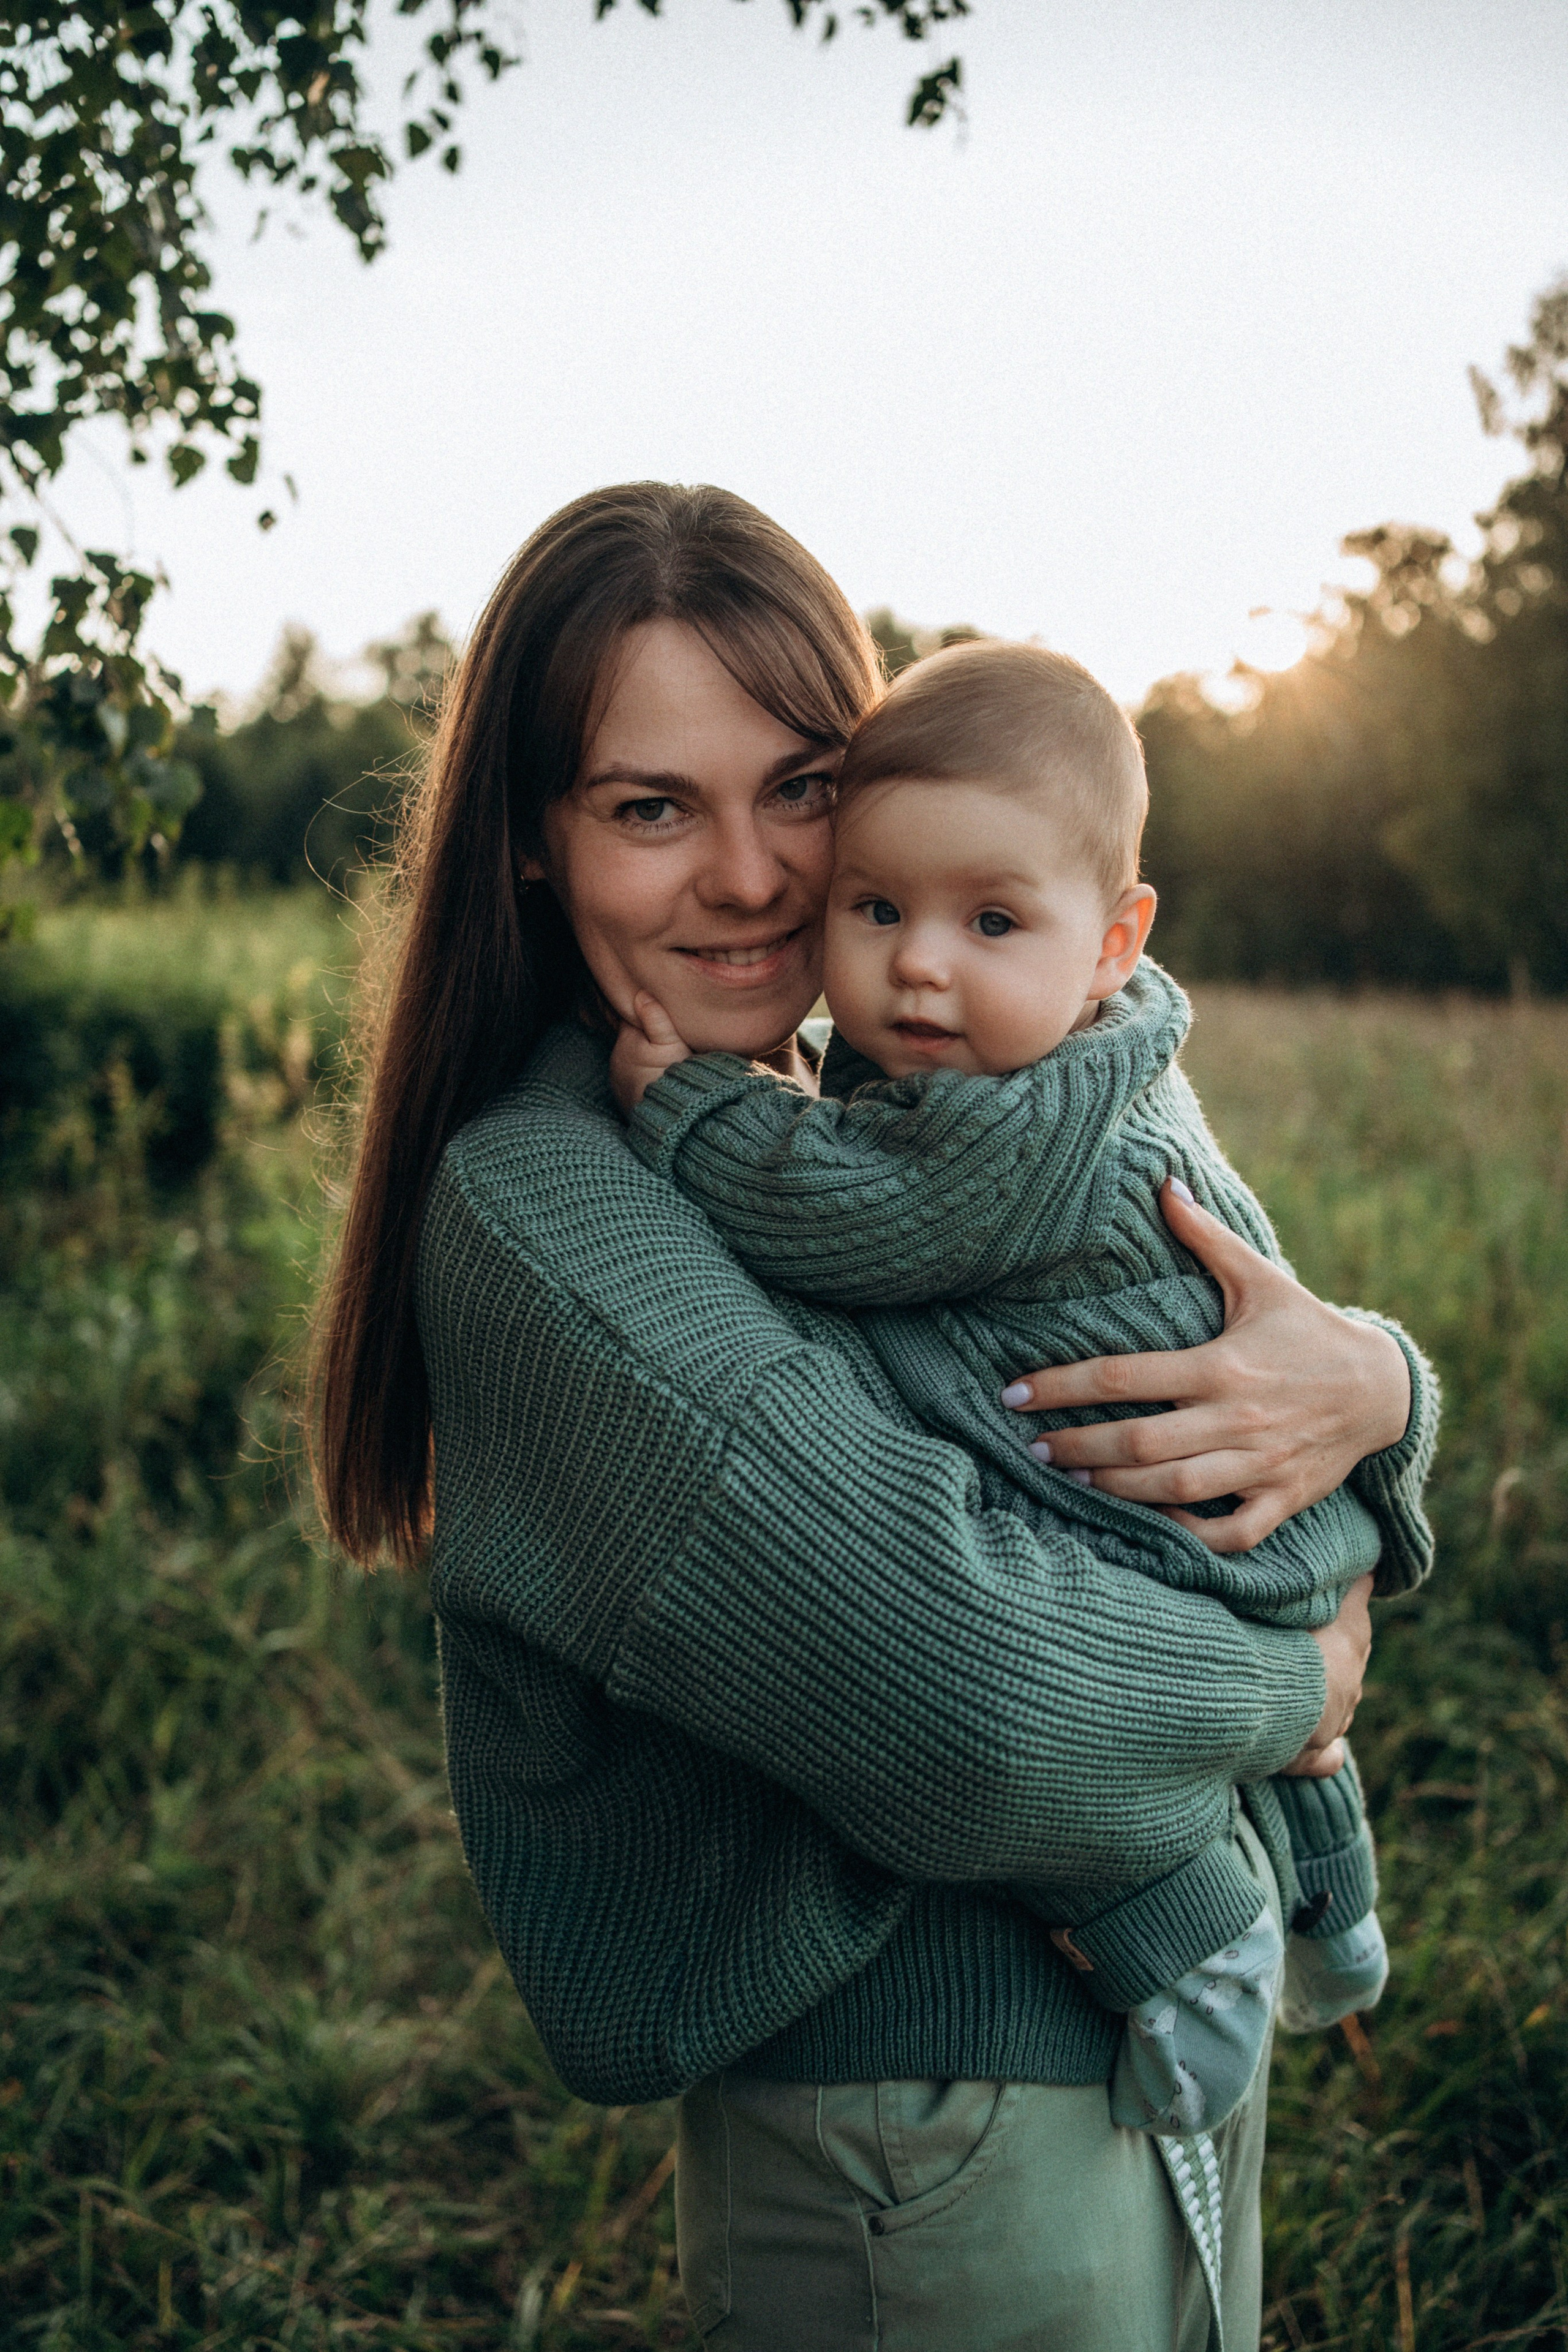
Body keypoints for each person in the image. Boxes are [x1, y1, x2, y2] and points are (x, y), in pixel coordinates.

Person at [311, 483, 1436, 2352]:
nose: (753, 874)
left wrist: (1379, 1386)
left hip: (1109, 2059)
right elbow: (983, 1708)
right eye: (651, 807)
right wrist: (1297, 1675)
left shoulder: (878, 1102)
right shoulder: (553, 1212)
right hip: (922, 2136)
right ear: (530, 844)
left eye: (804, 786)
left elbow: (1195, 1306)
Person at [607, 638, 1427, 2166]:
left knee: (1124, 1777)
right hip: (1251, 1516)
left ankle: (1196, 1946)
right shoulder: (1077, 1048)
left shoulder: (1019, 1124)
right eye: (876, 909)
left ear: (1112, 942)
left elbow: (854, 1214)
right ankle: (1338, 1917)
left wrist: (695, 1112)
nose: (919, 964)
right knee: (1304, 1756)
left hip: (1159, 1520)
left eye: (989, 920)